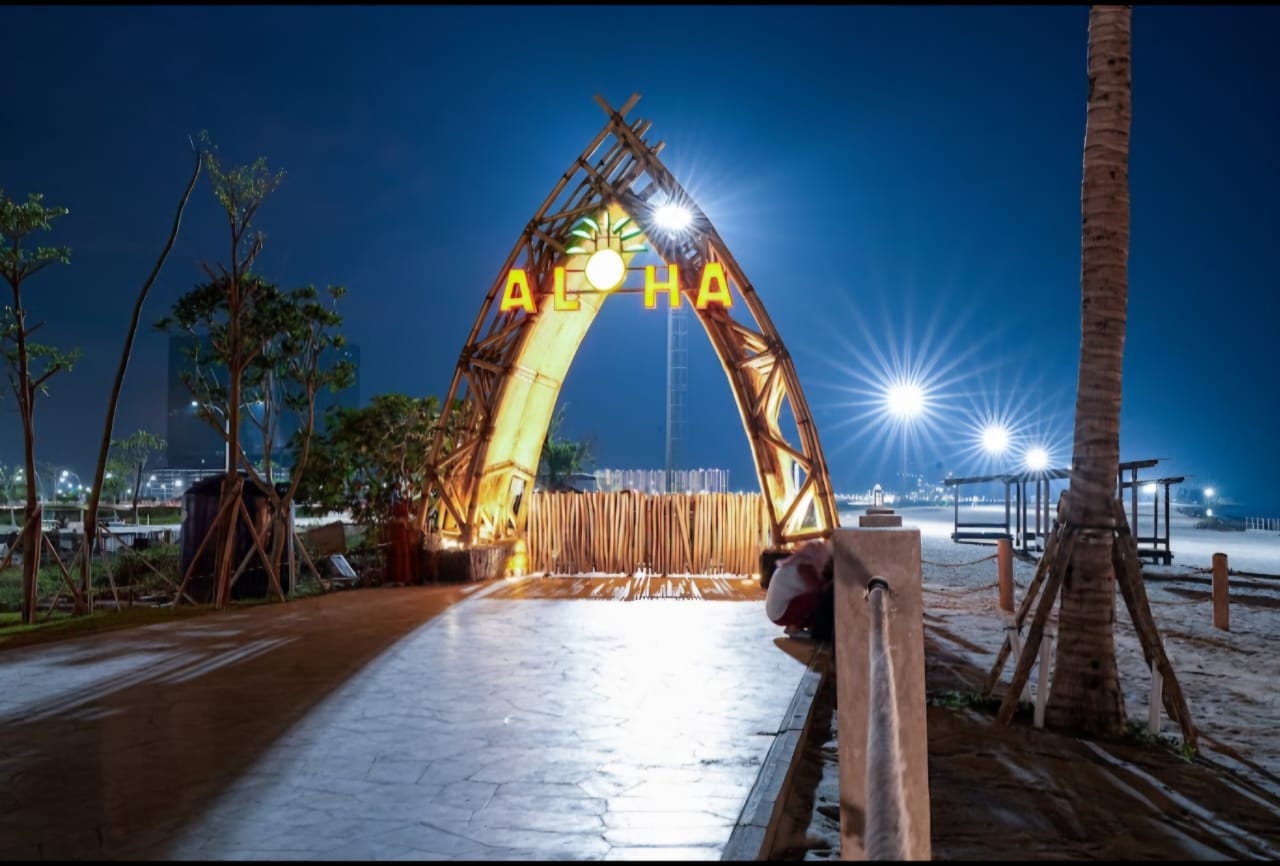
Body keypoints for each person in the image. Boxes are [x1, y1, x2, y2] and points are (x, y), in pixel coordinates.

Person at [765, 539, 835, 641]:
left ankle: (806, 627)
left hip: (782, 609)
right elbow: (816, 590)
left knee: (821, 598)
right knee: (820, 598)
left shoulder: (803, 562)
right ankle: (795, 628)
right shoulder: (805, 566)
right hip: (781, 612)